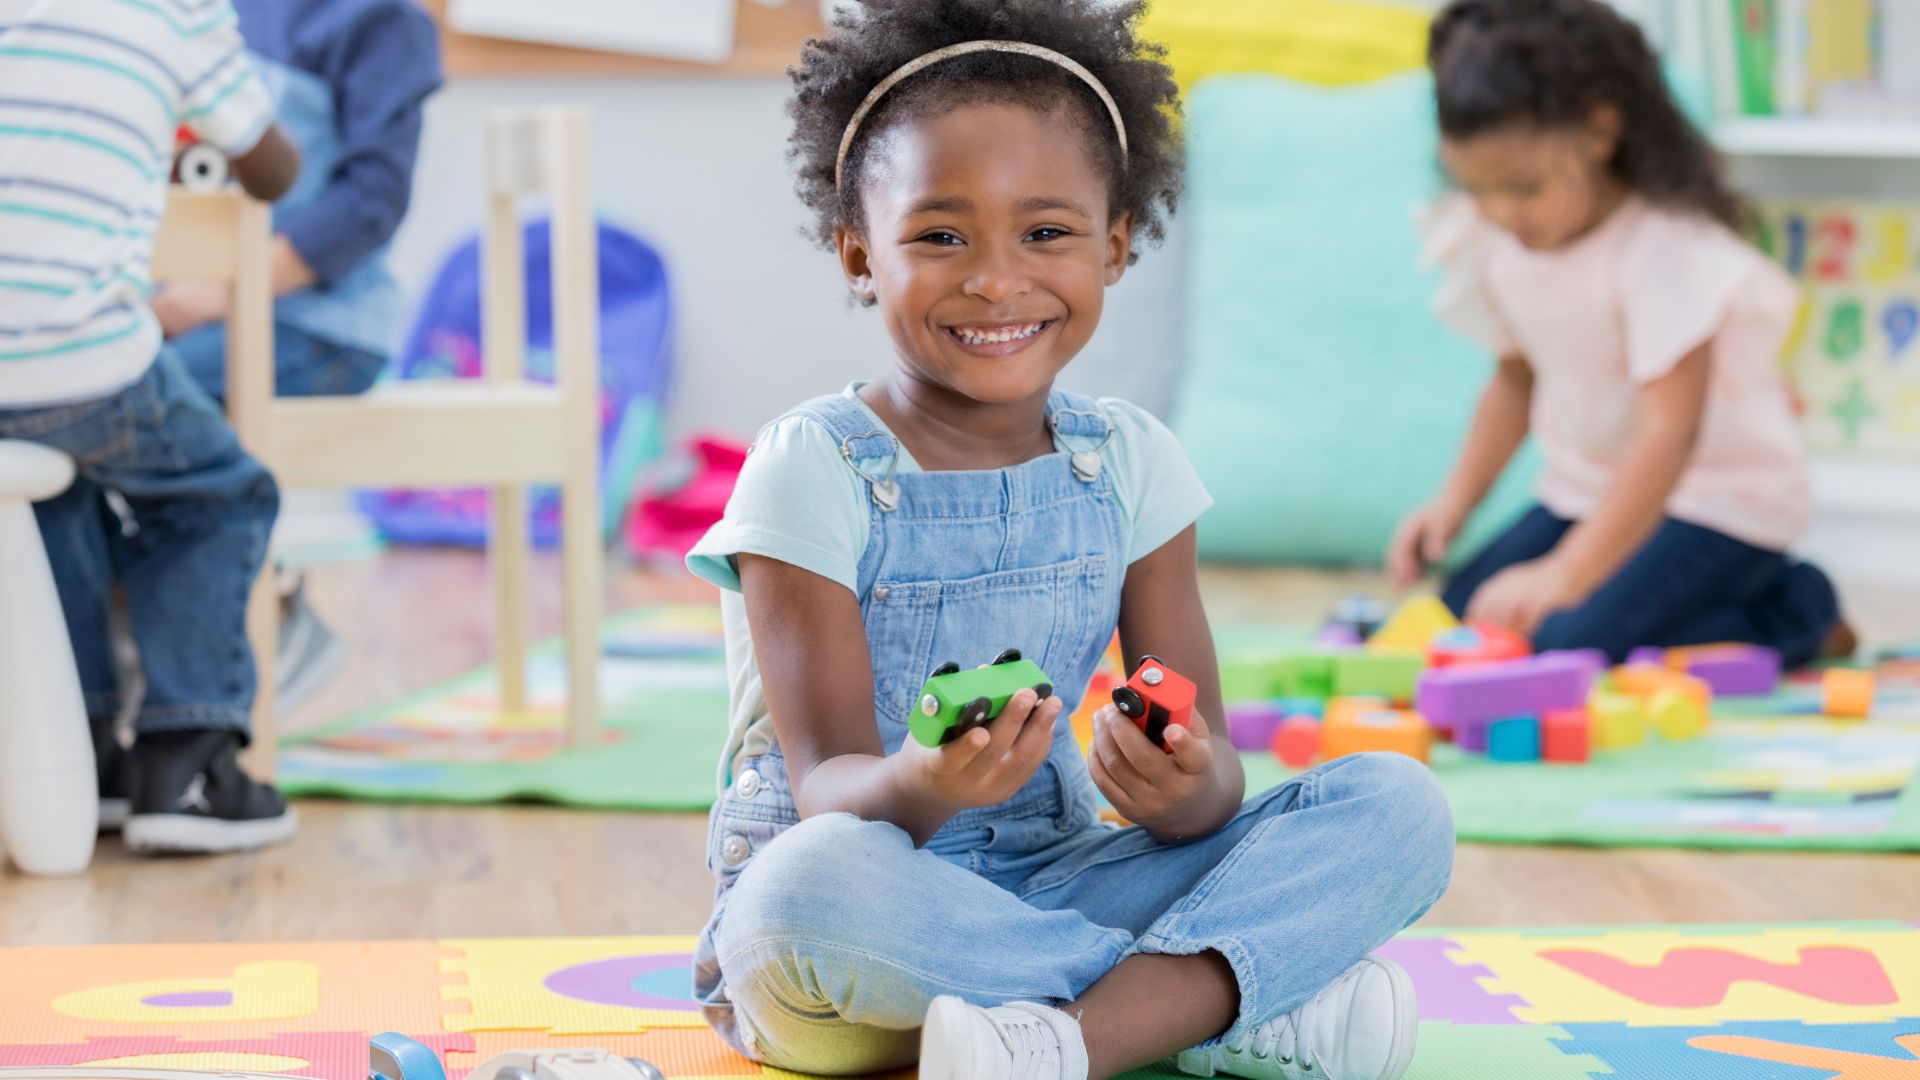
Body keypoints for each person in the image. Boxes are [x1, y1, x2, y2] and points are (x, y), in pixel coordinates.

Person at [682, 3, 1455, 1078]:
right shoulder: (811, 467)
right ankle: (1210, 1003)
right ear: (861, 253)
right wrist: (925, 780)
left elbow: (1215, 771)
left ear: (1117, 244)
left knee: (1396, 804)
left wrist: (1184, 788)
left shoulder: (1130, 461)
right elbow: (828, 792)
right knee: (800, 895)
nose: (998, 280)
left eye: (1046, 233)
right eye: (939, 236)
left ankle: (1056, 1045)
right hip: (862, 938)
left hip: (1057, 881)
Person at [1389, 0, 1844, 665]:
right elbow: (1514, 380)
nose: (1499, 211)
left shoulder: (1665, 251)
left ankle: (1794, 605)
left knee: (1566, 644)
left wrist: (1570, 572)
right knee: (1461, 616)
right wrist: (1452, 503)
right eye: (1477, 188)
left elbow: (1669, 436)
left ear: (1600, 132)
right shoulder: (1501, 236)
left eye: (1522, 187)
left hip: (1716, 502)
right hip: (1594, 491)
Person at [0, 0, 302, 853]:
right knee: (218, 495)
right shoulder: (176, 11)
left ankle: (83, 752)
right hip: (83, 355)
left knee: (61, 492)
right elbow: (271, 171)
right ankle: (188, 760)